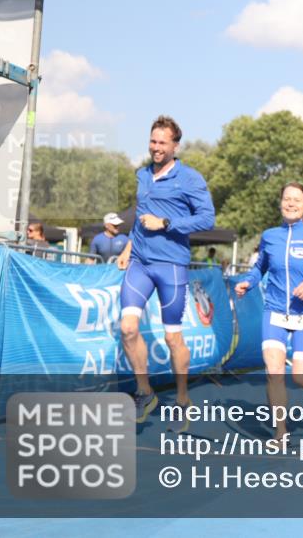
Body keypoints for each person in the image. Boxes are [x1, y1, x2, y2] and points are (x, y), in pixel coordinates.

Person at [116, 115, 215, 428]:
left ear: (175, 145)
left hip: (171, 266)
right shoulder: (142, 175)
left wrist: (167, 223)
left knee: (173, 338)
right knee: (128, 327)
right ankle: (145, 392)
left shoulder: (189, 178)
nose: (156, 148)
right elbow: (140, 217)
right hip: (140, 263)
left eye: (162, 143)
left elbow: (206, 218)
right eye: (153, 141)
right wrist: (129, 247)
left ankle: (183, 398)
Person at [235, 182, 303, 441]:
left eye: (297, 200)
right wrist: (248, 282)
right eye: (286, 198)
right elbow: (259, 268)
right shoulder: (270, 236)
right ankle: (280, 432)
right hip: (273, 311)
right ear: (280, 202)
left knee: (299, 376)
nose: (291, 203)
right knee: (273, 372)